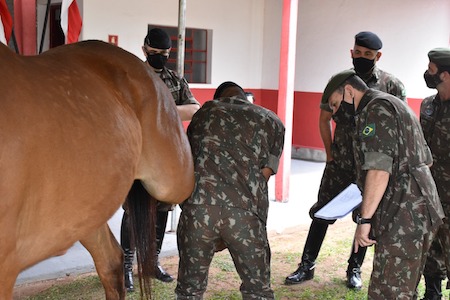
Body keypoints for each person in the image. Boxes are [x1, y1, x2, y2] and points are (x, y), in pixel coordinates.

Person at [285, 31, 406, 289]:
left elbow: (397, 125)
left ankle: (355, 268)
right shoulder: (339, 81)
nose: (361, 58)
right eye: (358, 53)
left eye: (368, 55)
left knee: (364, 217)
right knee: (322, 213)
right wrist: (329, 154)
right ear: (351, 52)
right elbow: (323, 119)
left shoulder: (391, 85)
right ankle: (306, 265)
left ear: (378, 56)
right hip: (339, 163)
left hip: (369, 168)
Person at [323, 69, 444, 298]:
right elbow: (424, 161)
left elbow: (379, 170)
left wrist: (365, 220)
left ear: (349, 91)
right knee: (402, 290)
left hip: (405, 216)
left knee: (388, 292)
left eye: (335, 104)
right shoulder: (392, 104)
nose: (336, 113)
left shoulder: (376, 109)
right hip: (414, 212)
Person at [175, 81, 285, 299]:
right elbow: (266, 173)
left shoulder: (203, 114)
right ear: (244, 98)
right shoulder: (272, 121)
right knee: (258, 291)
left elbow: (187, 161)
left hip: (198, 213)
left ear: (219, 99)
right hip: (245, 215)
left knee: (189, 291)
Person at [121, 27, 200, 291]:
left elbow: (194, 108)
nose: (159, 58)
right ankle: (126, 267)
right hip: (137, 157)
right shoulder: (130, 77)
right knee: (134, 211)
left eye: (164, 54)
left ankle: (151, 263)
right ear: (144, 50)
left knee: (163, 208)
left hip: (165, 158)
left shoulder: (175, 80)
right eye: (154, 53)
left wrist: (164, 110)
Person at [420, 47, 450, 300]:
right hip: (430, 193)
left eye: (431, 70)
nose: (427, 74)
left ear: (446, 75)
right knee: (431, 248)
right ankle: (432, 291)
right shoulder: (427, 105)